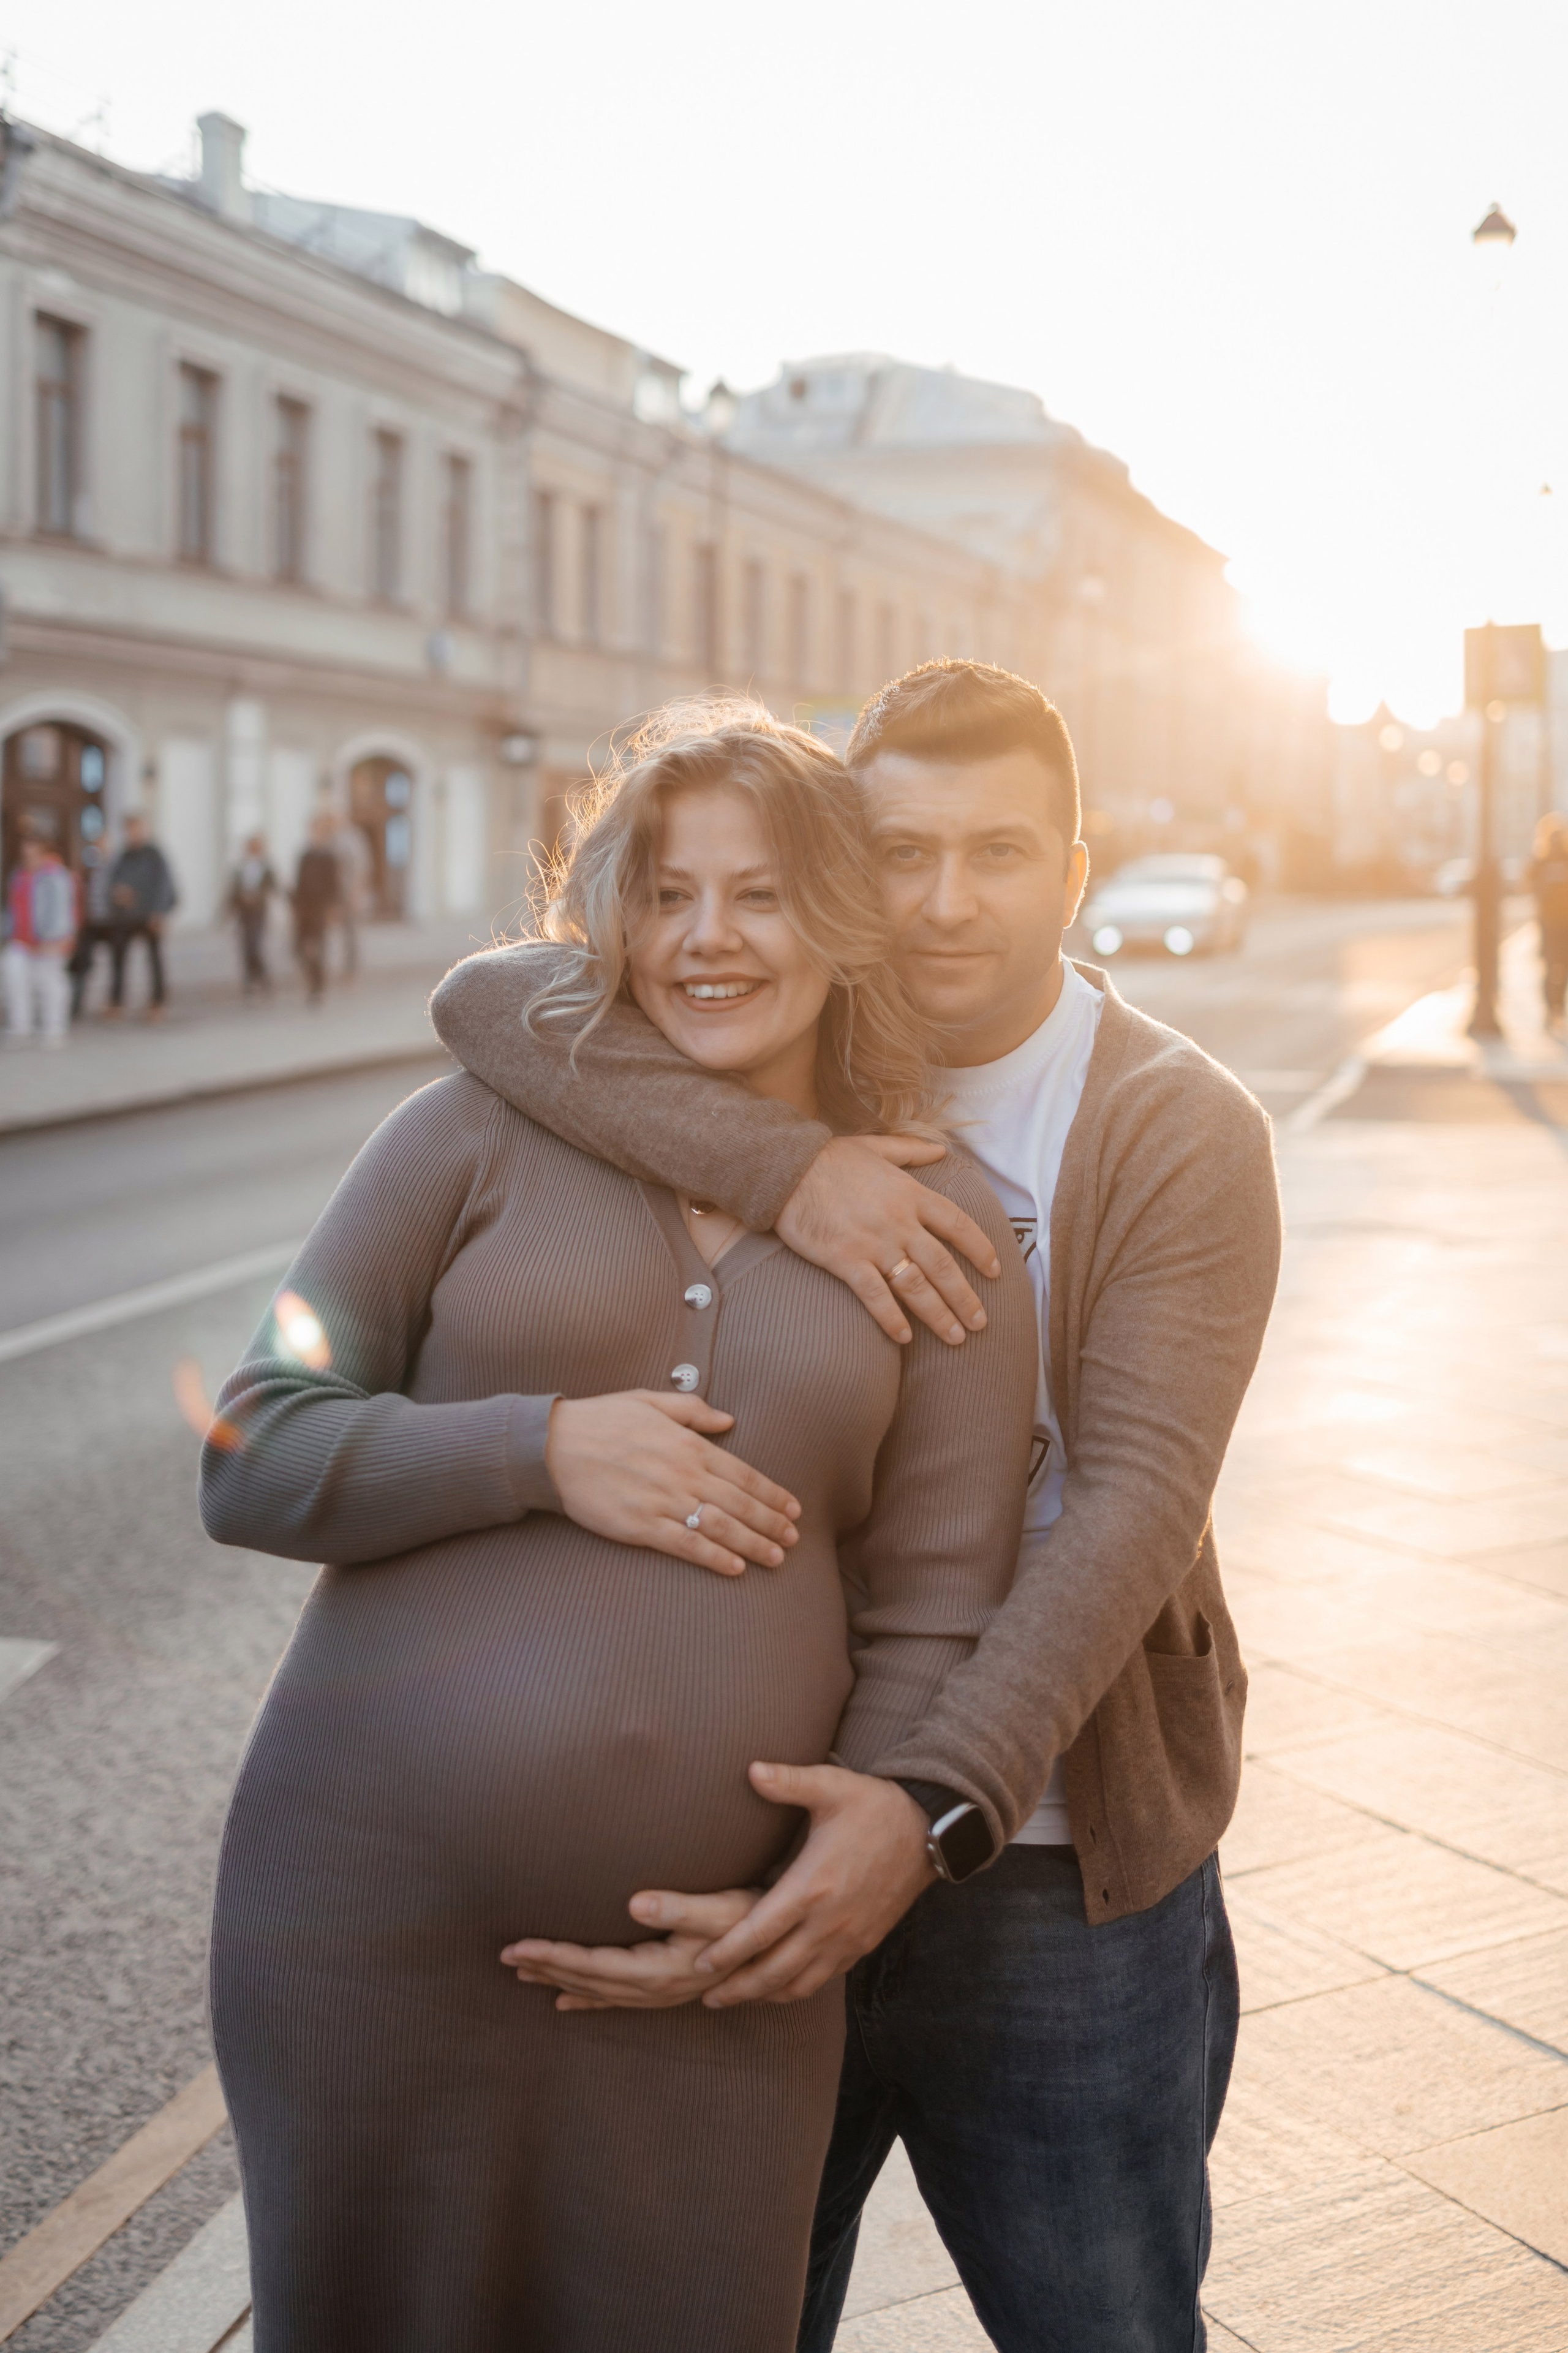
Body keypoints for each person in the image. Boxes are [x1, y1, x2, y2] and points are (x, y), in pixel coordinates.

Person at [431, 659, 1284, 2353]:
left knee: (1102, 2324)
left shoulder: (1175, 1125)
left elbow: (1128, 1508)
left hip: (1045, 1873)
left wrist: (928, 1808)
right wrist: (789, 1164)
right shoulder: (759, 1058)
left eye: (1002, 853)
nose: (948, 902)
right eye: (899, 852)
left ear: (1075, 868)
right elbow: (484, 1000)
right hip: (743, 1827)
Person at [199, 701, 1036, 2353]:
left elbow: (936, 1607)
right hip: (364, 1927)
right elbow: (250, 1451)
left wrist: (821, 1882)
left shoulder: (944, 1230)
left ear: (843, 920)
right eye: (664, 894)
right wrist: (542, 1447)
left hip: (714, 1975)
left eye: (763, 894)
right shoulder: (464, 1134)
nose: (706, 940)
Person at [4, 829, 79, 1048]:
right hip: (21, 940)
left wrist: (55, 938)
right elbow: (13, 907)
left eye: (34, 852)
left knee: (50, 983)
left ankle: (54, 1029)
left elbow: (64, 910)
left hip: (49, 941)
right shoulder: (19, 875)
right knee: (14, 978)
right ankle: (21, 1026)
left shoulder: (56, 876)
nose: (29, 856)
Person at [106, 812, 178, 1020]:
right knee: (118, 959)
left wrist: (159, 912)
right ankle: (116, 1001)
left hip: (149, 915)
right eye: (130, 829)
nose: (133, 833)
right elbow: (113, 881)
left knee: (155, 960)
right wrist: (118, 893)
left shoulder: (155, 854)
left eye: (137, 828)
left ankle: (158, 1002)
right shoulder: (123, 855)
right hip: (125, 916)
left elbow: (165, 885)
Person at [291, 815, 341, 1003]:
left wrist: (332, 909)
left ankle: (317, 986)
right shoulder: (305, 856)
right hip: (304, 910)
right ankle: (311, 982)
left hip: (320, 909)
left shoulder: (329, 857)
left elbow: (333, 886)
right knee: (301, 949)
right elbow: (299, 883)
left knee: (317, 949)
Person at [69, 827, 117, 1019]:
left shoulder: (117, 867)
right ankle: (76, 1004)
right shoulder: (88, 868)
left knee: (116, 963)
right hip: (91, 923)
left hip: (112, 922)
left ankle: (114, 1003)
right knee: (82, 961)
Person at [1528, 810, 1568, 1029]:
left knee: (1554, 966)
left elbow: (1530, 886)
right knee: (1554, 965)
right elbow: (1531, 885)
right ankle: (1554, 1007)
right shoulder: (1541, 861)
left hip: (1555, 922)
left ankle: (1555, 1007)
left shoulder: (1543, 860)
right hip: (1551, 922)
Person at [227, 833, 279, 995]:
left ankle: (263, 978)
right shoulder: (241, 866)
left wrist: (257, 896)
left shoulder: (267, 866)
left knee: (255, 945)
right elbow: (232, 891)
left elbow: (272, 888)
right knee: (245, 946)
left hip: (259, 911)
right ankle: (250, 981)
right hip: (244, 912)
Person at [332, 807, 372, 978]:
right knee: (345, 933)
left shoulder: (353, 839)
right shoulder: (335, 839)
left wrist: (357, 891)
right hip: (339, 893)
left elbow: (363, 867)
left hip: (351, 893)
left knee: (352, 934)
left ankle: (352, 971)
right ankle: (346, 968)